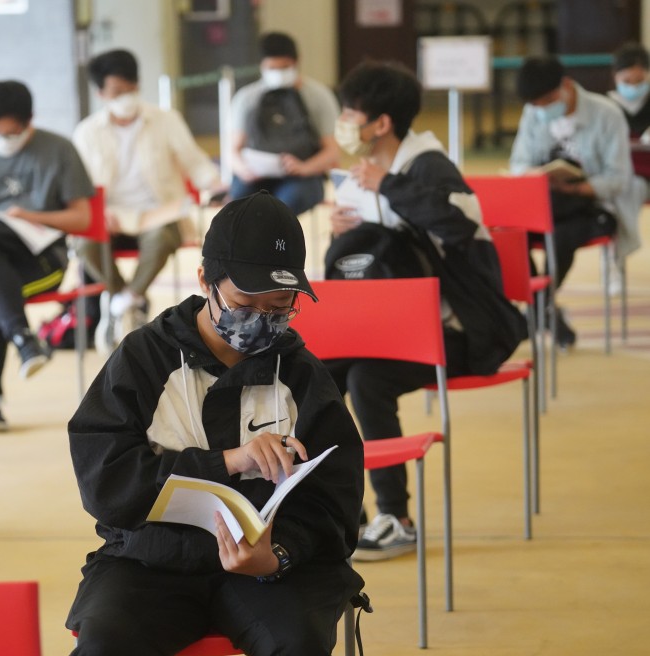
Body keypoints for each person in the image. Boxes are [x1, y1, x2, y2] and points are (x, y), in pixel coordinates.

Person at [66, 191, 364, 656]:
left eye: (280, 307)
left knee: (302, 652)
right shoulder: (143, 359)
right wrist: (230, 461)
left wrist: (277, 556)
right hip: (150, 562)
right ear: (205, 280)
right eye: (246, 303)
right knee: (102, 652)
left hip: (268, 572)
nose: (262, 322)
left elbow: (337, 502)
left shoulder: (302, 375)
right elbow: (105, 479)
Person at [326, 61, 506, 561]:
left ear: (379, 124)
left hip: (463, 331)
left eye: (349, 113)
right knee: (316, 373)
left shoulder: (428, 166)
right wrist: (339, 234)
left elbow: (461, 225)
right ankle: (338, 508)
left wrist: (389, 185)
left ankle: (396, 518)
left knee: (367, 380)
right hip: (388, 329)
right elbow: (350, 269)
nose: (341, 123)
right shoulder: (359, 176)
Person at [0, 80, 94, 433]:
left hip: (41, 261)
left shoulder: (59, 150)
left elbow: (83, 218)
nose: (4, 140)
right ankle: (22, 341)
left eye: (13, 133)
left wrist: (31, 217)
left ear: (30, 121)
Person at [73, 48, 223, 350]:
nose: (126, 97)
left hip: (159, 211)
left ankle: (122, 302)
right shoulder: (87, 132)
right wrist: (97, 212)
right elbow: (79, 186)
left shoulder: (166, 120)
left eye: (131, 89)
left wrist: (217, 186)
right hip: (112, 214)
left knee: (163, 237)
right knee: (83, 243)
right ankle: (125, 297)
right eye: (117, 91)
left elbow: (193, 161)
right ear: (101, 93)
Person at [510, 55, 642, 348]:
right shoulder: (533, 113)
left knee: (560, 237)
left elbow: (619, 179)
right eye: (536, 105)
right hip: (545, 203)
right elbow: (518, 162)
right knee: (510, 233)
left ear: (566, 85)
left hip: (594, 207)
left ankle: (535, 311)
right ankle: (543, 310)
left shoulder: (606, 114)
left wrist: (575, 188)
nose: (542, 110)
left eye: (547, 101)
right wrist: (533, 174)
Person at [229, 32, 340, 216]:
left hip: (303, 175)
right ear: (262, 66)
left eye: (285, 67)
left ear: (297, 62)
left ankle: (273, 244)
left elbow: (333, 151)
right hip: (256, 175)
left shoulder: (319, 97)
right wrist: (244, 170)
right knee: (240, 205)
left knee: (282, 208)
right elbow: (233, 150)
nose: (278, 73)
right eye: (272, 68)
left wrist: (304, 168)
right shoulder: (247, 98)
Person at [608, 42, 650, 137]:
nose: (633, 87)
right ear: (615, 76)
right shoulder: (606, 105)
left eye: (639, 80)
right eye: (626, 81)